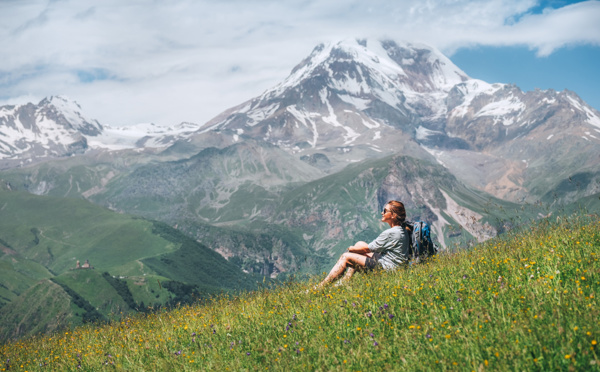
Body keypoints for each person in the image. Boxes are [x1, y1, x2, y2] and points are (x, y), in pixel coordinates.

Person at [315, 200, 411, 289]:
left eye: (385, 211)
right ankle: (346, 280)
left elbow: (367, 249)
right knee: (359, 243)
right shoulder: (402, 229)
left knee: (346, 257)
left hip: (387, 270)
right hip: (394, 267)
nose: (382, 213)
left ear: (393, 215)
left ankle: (321, 287)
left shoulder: (391, 233)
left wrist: (351, 249)